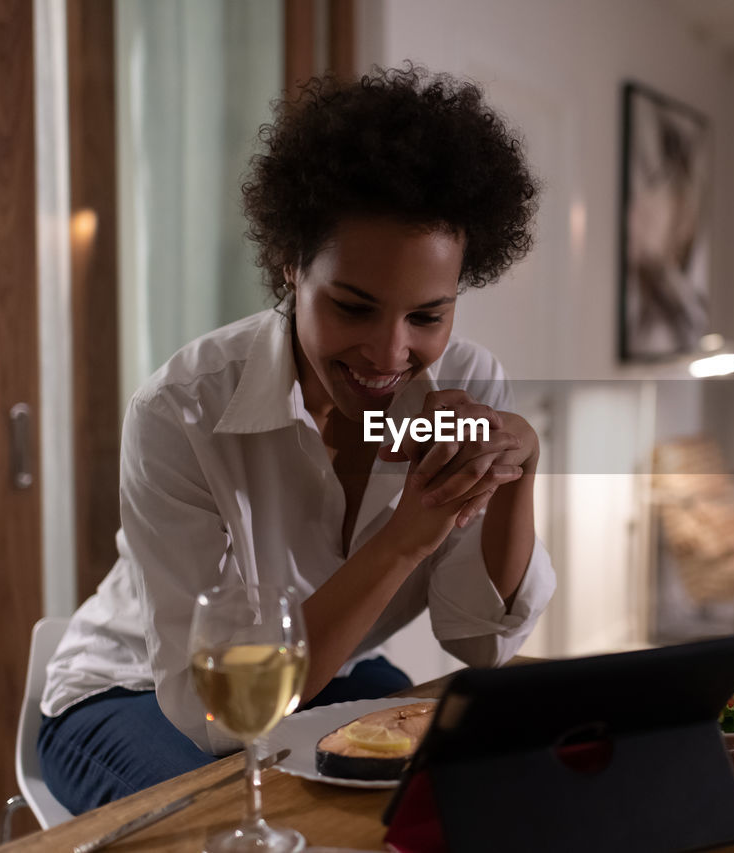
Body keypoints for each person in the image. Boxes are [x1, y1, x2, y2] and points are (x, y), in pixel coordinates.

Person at [37, 65, 556, 814]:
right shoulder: (180, 411)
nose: (388, 355)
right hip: (136, 690)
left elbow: (477, 643)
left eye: (427, 316)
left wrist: (520, 469)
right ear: (290, 264)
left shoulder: (468, 384)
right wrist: (405, 538)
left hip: (328, 668)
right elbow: (211, 713)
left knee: (467, 789)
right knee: (242, 824)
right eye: (353, 307)